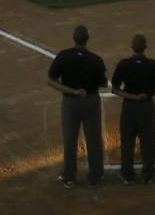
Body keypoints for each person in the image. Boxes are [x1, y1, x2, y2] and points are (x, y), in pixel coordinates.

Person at [46, 25, 107, 188]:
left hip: (70, 103)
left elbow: (51, 80)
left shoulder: (63, 56)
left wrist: (73, 91)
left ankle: (69, 176)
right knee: (94, 140)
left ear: (73, 37)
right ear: (88, 38)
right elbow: (104, 84)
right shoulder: (96, 59)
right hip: (91, 102)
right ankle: (95, 176)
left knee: (70, 140)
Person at [110, 33, 155, 185]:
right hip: (147, 107)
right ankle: (148, 175)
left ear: (132, 47)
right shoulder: (153, 64)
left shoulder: (123, 64)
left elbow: (115, 89)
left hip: (129, 107)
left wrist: (133, 97)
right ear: (145, 47)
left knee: (127, 140)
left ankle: (127, 175)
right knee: (147, 141)